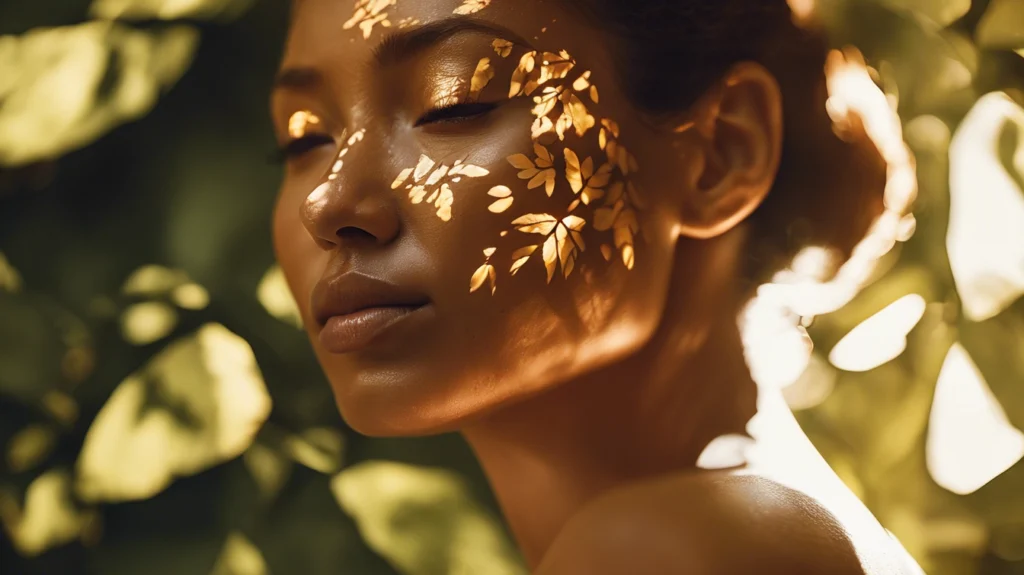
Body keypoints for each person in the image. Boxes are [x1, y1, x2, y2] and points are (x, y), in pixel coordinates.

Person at [270, 0, 920, 572]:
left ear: (721, 152)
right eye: (305, 140)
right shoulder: (779, 530)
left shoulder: (668, 551)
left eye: (452, 102)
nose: (327, 204)